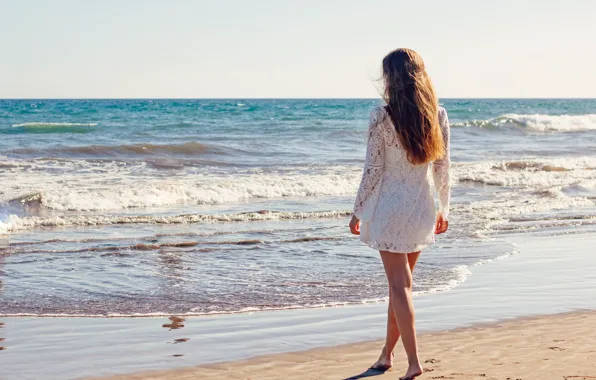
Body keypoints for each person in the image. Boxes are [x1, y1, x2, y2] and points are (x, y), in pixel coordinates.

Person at [349, 48, 451, 380]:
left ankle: (414, 362)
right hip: (421, 208)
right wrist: (444, 207)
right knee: (401, 288)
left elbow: (372, 170)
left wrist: (357, 211)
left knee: (399, 287)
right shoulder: (437, 114)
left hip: (390, 210)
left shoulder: (381, 116)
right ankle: (385, 356)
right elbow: (442, 168)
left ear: (391, 78)